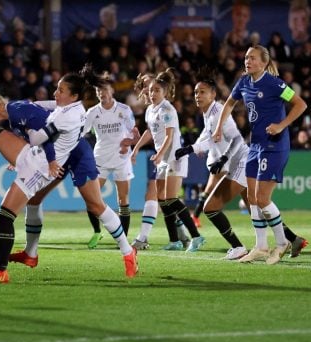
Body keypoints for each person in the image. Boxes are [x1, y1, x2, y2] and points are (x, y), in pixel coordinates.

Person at [0, 83, 138, 284]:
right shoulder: (17, 113)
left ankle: (128, 252)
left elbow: (46, 134)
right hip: (51, 158)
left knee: (95, 205)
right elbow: (45, 118)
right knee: (33, 199)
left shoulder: (17, 110)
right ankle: (30, 254)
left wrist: (50, 160)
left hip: (75, 154)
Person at [177, 69, 308, 259]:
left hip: (242, 161)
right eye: (196, 92)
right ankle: (291, 239)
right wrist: (190, 149)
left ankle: (239, 247)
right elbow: (207, 138)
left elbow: (237, 140)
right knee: (256, 207)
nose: (198, 95)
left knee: (211, 207)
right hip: (238, 161)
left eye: (202, 91)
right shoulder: (209, 114)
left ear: (213, 94)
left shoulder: (219, 112)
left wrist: (222, 158)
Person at [213, 45, 308, 264]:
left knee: (263, 198)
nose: (248, 61)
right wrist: (219, 127)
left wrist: (281, 125)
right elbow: (229, 103)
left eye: (253, 58)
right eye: (246, 57)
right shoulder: (244, 82)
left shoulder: (275, 84)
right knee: (252, 198)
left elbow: (300, 104)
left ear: (264, 63)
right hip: (255, 145)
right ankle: (261, 246)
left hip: (274, 146)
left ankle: (282, 243)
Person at [131, 68, 205, 251]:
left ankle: (196, 236)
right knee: (163, 200)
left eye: (157, 90)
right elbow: (150, 131)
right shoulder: (150, 110)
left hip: (174, 157)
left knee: (171, 199)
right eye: (151, 90)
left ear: (165, 92)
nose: (153, 93)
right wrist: (137, 148)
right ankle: (175, 241)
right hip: (162, 158)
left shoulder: (167, 109)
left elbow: (169, 136)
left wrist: (159, 153)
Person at [85, 78, 135, 237]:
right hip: (100, 158)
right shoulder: (92, 113)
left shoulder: (124, 109)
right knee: (91, 198)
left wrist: (131, 142)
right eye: (99, 91)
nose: (102, 94)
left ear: (112, 90)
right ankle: (97, 231)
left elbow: (134, 131)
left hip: (121, 157)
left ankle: (124, 238)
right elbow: (79, 133)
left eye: (105, 90)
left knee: (123, 200)